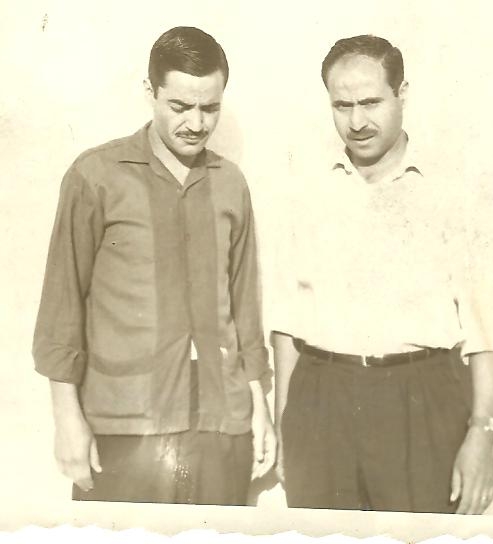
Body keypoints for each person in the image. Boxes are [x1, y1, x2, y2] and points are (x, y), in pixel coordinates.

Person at [33, 26, 276, 505]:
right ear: (150, 91)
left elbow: (245, 306)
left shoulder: (230, 183)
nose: (196, 123)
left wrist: (259, 408)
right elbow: (62, 309)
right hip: (125, 425)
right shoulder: (95, 176)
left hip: (220, 424)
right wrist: (66, 418)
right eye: (180, 107)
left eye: (210, 108)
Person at [272, 34, 493, 514]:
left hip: (419, 401)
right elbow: (287, 323)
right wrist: (284, 426)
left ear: (402, 94)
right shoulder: (306, 192)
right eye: (342, 106)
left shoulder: (454, 193)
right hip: (321, 401)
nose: (357, 122)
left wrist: (482, 433)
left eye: (370, 103)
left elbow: (489, 329)